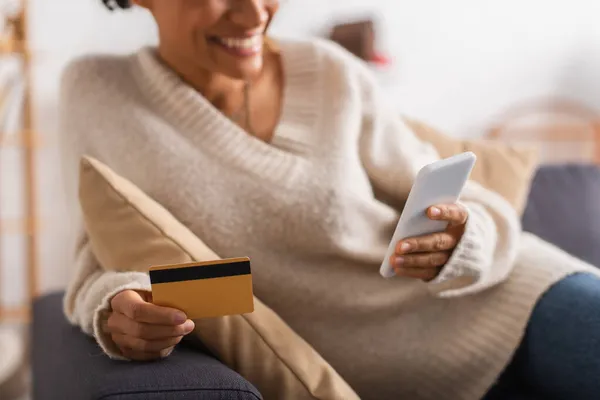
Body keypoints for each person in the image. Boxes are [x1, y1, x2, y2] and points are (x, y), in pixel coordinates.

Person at [58, 1, 600, 399]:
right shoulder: (101, 92)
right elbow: (95, 264)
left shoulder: (329, 71)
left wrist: (462, 239)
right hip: (375, 369)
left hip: (515, 300)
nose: (253, 16)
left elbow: (474, 204)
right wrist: (117, 312)